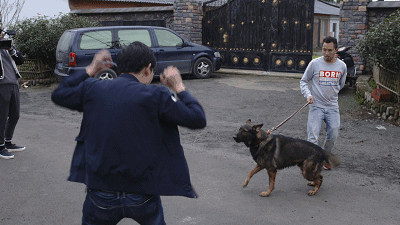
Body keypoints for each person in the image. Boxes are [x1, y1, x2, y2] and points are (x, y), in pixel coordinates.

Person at [51, 41, 206, 225]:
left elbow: (59, 94)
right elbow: (197, 119)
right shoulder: (156, 95)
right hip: (143, 193)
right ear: (148, 68)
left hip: (100, 191)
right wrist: (179, 87)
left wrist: (92, 68)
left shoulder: (94, 89)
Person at [300, 36, 347, 170]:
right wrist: (308, 95)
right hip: (316, 106)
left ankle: (325, 157)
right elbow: (303, 81)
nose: (326, 53)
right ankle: (313, 166)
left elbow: (341, 84)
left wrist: (332, 93)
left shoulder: (342, 66)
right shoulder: (315, 64)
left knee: (333, 134)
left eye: (329, 50)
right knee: (312, 138)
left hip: (332, 106)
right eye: (324, 49)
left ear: (336, 50)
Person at [0, 33, 25, 160]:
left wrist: (11, 49)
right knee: (2, 117)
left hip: (13, 84)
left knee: (15, 115)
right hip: (1, 85)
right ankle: (0, 146)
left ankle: (8, 141)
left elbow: (20, 60)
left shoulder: (7, 46)